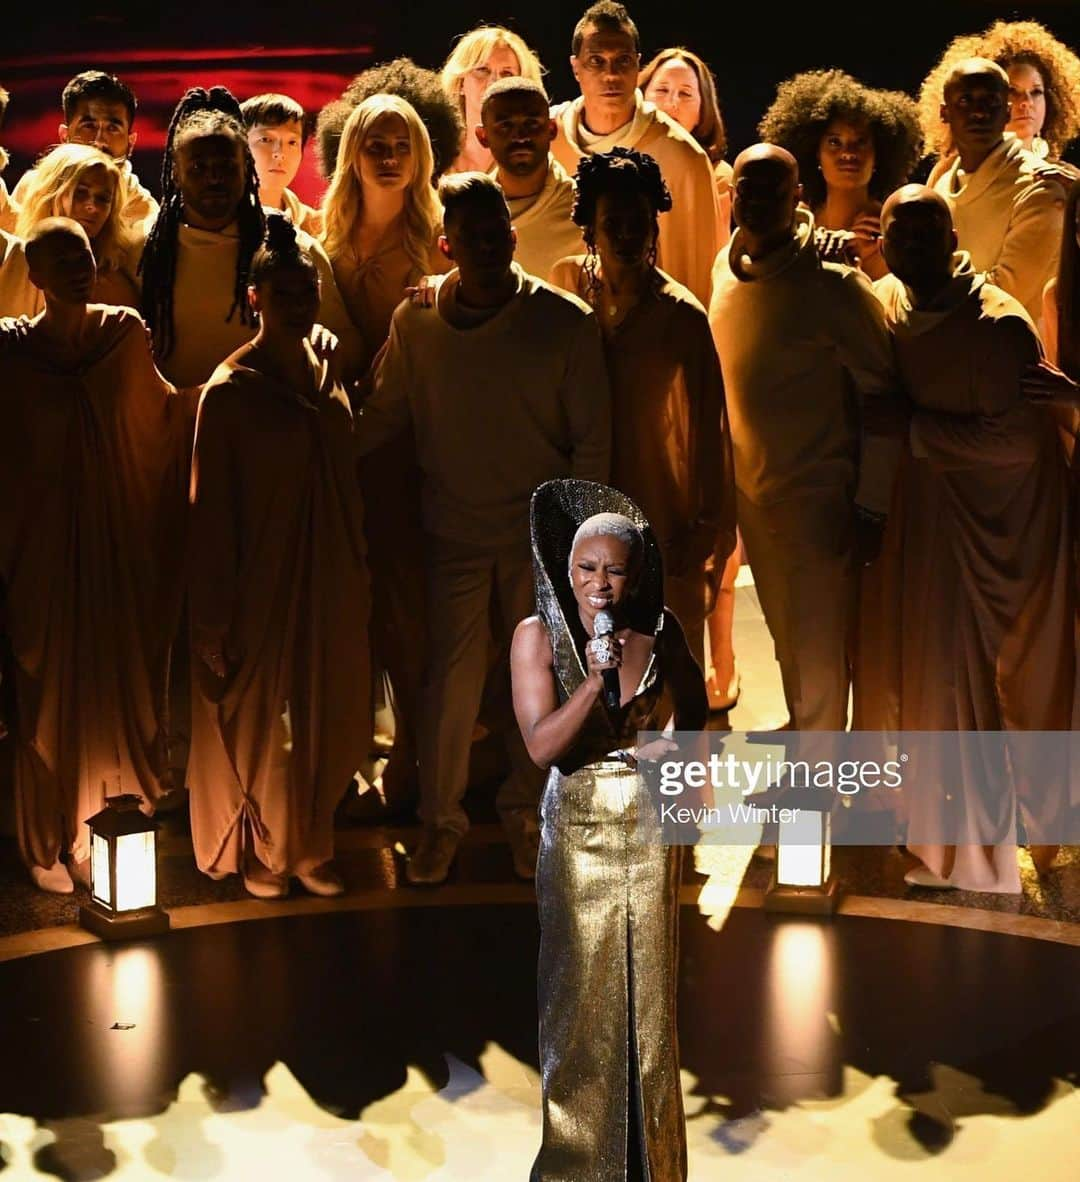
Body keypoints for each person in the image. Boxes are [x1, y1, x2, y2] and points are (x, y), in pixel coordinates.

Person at [356, 172, 610, 885]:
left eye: (495, 230)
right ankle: (440, 824)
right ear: (446, 243)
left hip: (535, 538)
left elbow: (592, 444)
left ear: (514, 235)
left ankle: (527, 815)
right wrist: (316, 437)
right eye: (469, 233)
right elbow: (384, 415)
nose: (486, 244)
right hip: (455, 533)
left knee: (536, 683)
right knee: (449, 686)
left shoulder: (564, 322)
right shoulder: (420, 323)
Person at [874, 186, 1073, 891]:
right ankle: (940, 839)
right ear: (886, 243)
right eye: (903, 233)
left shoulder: (998, 326)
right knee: (928, 680)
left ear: (954, 238)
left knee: (981, 688)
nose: (917, 247)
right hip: (932, 527)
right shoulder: (888, 303)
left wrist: (916, 430)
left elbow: (1016, 444)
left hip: (1000, 534)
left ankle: (985, 856)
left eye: (931, 232)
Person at [512, 480, 707, 1181]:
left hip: (648, 829)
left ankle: (651, 1169)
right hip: (579, 830)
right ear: (566, 568)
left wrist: (681, 779)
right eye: (587, 568)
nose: (600, 583)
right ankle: (576, 1168)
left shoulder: (660, 633)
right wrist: (592, 684)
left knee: (650, 1009)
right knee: (580, 1005)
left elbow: (697, 707)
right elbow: (543, 747)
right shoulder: (536, 636)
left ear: (634, 573)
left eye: (614, 569)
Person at [0, 219, 190, 893]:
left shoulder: (123, 336)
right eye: (59, 259)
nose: (76, 268)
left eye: (81, 254)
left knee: (116, 687)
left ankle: (93, 833)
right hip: (41, 555)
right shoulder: (11, 351)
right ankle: (43, 839)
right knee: (45, 696)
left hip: (117, 545)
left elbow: (163, 423)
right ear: (34, 273)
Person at [187, 214, 371, 899]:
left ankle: (312, 842)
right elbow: (210, 511)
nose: (298, 303)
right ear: (256, 298)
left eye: (307, 291)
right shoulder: (232, 392)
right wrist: (213, 615)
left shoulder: (327, 372)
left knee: (329, 710)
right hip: (260, 581)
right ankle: (269, 846)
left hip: (328, 574)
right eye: (283, 292)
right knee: (268, 723)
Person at [709, 144, 899, 731]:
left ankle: (817, 778)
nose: (758, 199)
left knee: (817, 647)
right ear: (732, 195)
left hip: (818, 500)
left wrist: (871, 500)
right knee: (788, 637)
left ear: (797, 197)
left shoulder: (834, 286)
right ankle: (808, 733)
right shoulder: (726, 266)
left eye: (774, 188)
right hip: (752, 493)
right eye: (748, 187)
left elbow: (886, 398)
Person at [551, 147, 734, 668]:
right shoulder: (564, 289)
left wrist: (704, 527)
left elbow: (708, 431)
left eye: (640, 222)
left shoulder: (680, 316)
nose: (628, 235)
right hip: (582, 503)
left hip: (657, 505)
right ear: (590, 229)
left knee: (663, 673)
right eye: (614, 223)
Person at [322, 93, 447, 813]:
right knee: (350, 610)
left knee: (409, 607)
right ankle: (348, 757)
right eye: (377, 143)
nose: (390, 155)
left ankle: (411, 756)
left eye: (403, 144)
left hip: (414, 449)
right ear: (354, 156)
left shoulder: (436, 238)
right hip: (343, 452)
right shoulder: (325, 240)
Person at [138, 86, 359, 388]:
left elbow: (350, 350)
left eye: (226, 166)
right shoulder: (144, 252)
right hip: (173, 430)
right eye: (199, 167)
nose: (214, 178)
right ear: (176, 172)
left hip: (270, 426)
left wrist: (322, 342)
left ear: (246, 168)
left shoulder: (290, 245)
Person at [551, 1, 722, 306]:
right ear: (575, 67)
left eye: (623, 61)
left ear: (638, 64)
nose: (611, 75)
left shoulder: (682, 159)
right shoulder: (546, 141)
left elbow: (697, 282)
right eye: (596, 61)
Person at [928, 58, 1065, 326]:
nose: (978, 113)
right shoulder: (942, 182)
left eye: (990, 101)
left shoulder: (1040, 186)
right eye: (966, 101)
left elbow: (1003, 296)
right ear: (944, 113)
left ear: (1006, 111)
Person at [759, 70, 922, 281]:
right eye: (834, 142)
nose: (848, 153)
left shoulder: (893, 230)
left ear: (879, 154)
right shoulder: (798, 222)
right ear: (815, 152)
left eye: (861, 142)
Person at [920, 19, 1080, 166]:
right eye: (1013, 91)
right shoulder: (949, 176)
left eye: (1036, 92)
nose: (1027, 102)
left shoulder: (1064, 180)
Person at [13, 70, 157, 229]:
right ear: (64, 136)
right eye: (89, 126)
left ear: (131, 142)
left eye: (113, 128)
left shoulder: (145, 214)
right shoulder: (33, 187)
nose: (99, 141)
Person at [477, 78, 583, 282]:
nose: (520, 136)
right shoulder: (469, 212)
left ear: (552, 129)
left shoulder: (585, 212)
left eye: (531, 123)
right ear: (483, 136)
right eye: (505, 125)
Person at [14, 144, 139, 309]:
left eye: (102, 198)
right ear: (52, 192)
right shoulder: (14, 263)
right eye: (81, 192)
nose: (92, 207)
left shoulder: (114, 287)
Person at [318, 58, 464, 184]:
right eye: (376, 146)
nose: (390, 158)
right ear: (349, 153)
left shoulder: (446, 217)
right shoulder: (320, 218)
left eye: (403, 146)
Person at [639, 46, 732, 242]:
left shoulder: (718, 177)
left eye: (685, 94)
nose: (672, 103)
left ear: (702, 110)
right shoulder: (613, 160)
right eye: (662, 90)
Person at [441, 24, 545, 174]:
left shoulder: (537, 156)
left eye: (507, 73)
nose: (493, 82)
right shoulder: (435, 152)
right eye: (482, 70)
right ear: (460, 82)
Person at [241, 92, 322, 234]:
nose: (280, 153)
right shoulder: (214, 220)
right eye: (266, 140)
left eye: (292, 142)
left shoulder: (314, 227)